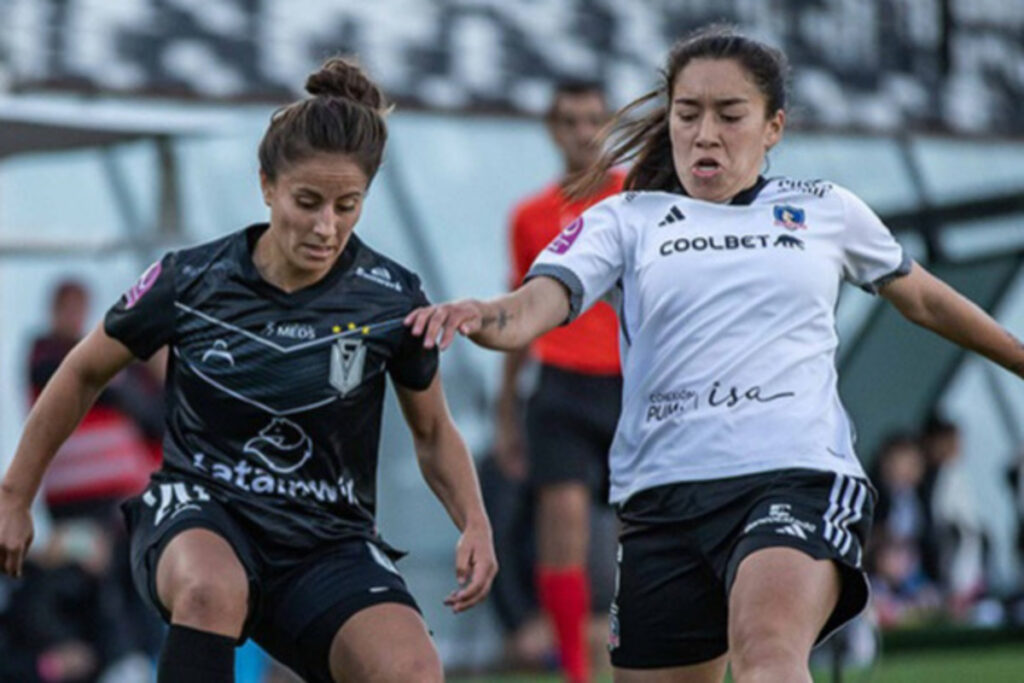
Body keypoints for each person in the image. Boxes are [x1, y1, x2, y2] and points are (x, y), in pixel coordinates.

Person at [405, 25, 1024, 683]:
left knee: (767, 660)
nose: (704, 133)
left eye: (730, 115)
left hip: (796, 478)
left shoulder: (824, 210)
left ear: (773, 126)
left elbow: (924, 299)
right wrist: (485, 315)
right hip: (661, 502)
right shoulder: (625, 219)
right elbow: (539, 300)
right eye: (687, 113)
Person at [0, 57, 497, 683]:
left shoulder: (391, 299)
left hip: (325, 539)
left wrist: (474, 522)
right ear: (267, 185)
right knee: (211, 589)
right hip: (202, 512)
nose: (327, 227)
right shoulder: (192, 279)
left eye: (348, 205)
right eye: (308, 201)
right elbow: (80, 373)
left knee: (412, 668)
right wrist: (14, 495)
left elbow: (432, 433)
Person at [494, 80, 623, 683]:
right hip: (562, 385)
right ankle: (575, 673)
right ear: (552, 129)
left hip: (631, 385)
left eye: (592, 119)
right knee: (562, 526)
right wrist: (504, 411)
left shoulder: (639, 199)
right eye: (570, 120)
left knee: (643, 535)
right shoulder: (528, 216)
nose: (582, 132)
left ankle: (643, 656)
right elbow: (521, 309)